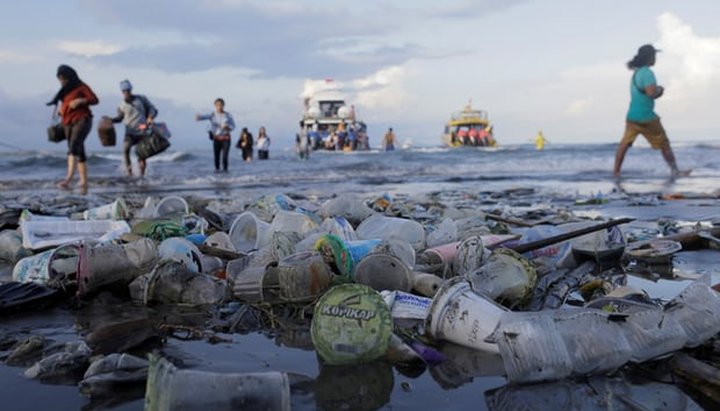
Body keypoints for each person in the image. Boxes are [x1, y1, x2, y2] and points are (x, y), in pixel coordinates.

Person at [614, 44, 688, 177]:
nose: (655, 59)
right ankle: (675, 171)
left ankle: (616, 172)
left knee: (624, 144)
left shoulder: (636, 73)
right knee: (664, 143)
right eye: (654, 56)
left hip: (632, 116)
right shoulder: (648, 73)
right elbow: (651, 93)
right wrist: (660, 91)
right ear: (649, 57)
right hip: (646, 117)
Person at [47, 64, 99, 194]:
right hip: (67, 123)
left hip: (83, 120)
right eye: (60, 79)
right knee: (79, 151)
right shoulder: (64, 91)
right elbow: (64, 104)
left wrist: (81, 101)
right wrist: (61, 110)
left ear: (70, 76)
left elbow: (94, 99)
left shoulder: (81, 86)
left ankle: (68, 179)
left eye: (63, 78)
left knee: (73, 146)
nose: (62, 81)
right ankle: (83, 181)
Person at [109, 80, 158, 177]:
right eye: (124, 91)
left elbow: (153, 109)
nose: (126, 93)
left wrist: (150, 117)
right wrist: (111, 120)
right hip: (130, 132)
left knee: (142, 155)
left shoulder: (141, 99)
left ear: (131, 89)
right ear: (122, 92)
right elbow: (120, 118)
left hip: (142, 129)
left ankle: (142, 175)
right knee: (125, 150)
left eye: (128, 90)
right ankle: (130, 174)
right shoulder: (121, 105)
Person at [196, 98, 235, 172]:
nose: (219, 106)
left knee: (225, 157)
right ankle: (217, 173)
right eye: (217, 105)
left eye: (221, 105)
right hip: (216, 138)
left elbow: (233, 126)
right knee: (216, 157)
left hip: (226, 138)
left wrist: (227, 127)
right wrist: (198, 117)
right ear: (215, 106)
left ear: (224, 105)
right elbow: (203, 117)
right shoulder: (212, 114)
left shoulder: (228, 115)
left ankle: (225, 173)